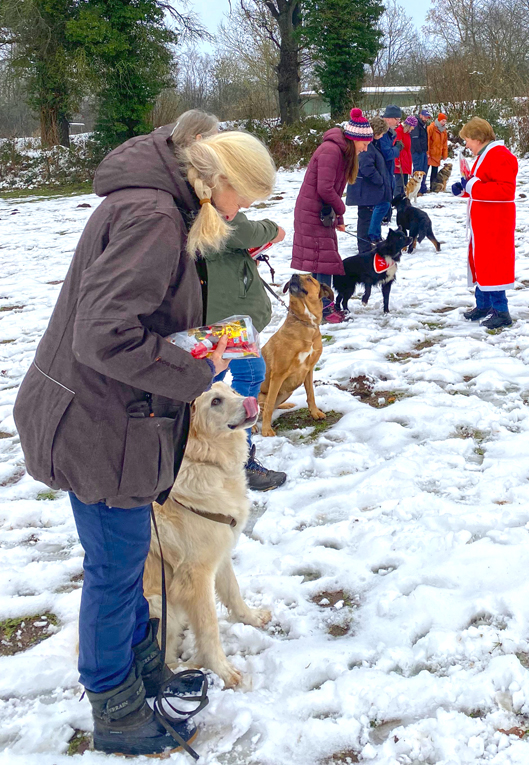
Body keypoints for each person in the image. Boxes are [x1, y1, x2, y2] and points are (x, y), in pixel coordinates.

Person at [13, 129, 277, 756]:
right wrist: (196, 370)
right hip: (98, 424)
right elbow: (103, 337)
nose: (240, 214)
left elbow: (130, 315)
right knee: (115, 565)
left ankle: (141, 670)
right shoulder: (155, 217)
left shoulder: (159, 204)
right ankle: (115, 703)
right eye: (243, 198)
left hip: (110, 418)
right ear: (218, 181)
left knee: (129, 559)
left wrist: (198, 337)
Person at [204, 214, 289, 490]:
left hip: (216, 309)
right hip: (228, 316)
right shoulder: (211, 201)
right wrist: (273, 229)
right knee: (247, 374)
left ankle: (215, 458)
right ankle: (238, 462)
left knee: (208, 381)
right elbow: (242, 231)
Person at [291, 108, 373, 323]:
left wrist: (339, 218)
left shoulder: (340, 152)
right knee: (324, 262)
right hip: (312, 212)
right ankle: (325, 311)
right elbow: (325, 189)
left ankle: (319, 308)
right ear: (354, 139)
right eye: (364, 144)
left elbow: (332, 191)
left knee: (321, 262)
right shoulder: (331, 151)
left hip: (321, 212)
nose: (365, 149)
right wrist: (341, 209)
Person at [452, 117, 518, 330]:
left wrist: (473, 185)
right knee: (481, 262)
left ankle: (501, 311)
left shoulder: (500, 157)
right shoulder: (486, 155)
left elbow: (506, 191)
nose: (467, 145)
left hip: (495, 223)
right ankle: (484, 305)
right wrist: (464, 189)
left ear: (479, 139)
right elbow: (482, 186)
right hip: (483, 221)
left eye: (468, 140)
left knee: (493, 264)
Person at [356, 116, 394, 247]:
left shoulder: (372, 145)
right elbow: (366, 167)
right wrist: (379, 180)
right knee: (366, 218)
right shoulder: (367, 147)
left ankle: (371, 239)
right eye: (382, 133)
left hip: (371, 189)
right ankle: (368, 242)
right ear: (377, 132)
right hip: (368, 189)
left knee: (375, 211)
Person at [378, 105, 403, 223]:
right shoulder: (382, 133)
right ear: (388, 118)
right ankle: (384, 217)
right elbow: (387, 154)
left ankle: (386, 216)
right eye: (397, 119)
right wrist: (396, 149)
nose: (399, 122)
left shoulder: (389, 132)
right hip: (382, 170)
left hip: (388, 169)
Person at [409, 107, 432, 194]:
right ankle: (415, 189)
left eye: (427, 117)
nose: (426, 118)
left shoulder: (423, 125)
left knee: (424, 170)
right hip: (417, 151)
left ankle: (422, 187)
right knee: (417, 170)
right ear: (420, 115)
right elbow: (415, 139)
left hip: (423, 151)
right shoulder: (416, 124)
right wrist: (419, 149)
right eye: (425, 116)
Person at [393, 115, 415, 200]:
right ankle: (397, 201)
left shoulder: (406, 133)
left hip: (405, 161)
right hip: (400, 162)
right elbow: (395, 147)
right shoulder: (399, 131)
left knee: (403, 184)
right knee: (399, 184)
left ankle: (401, 201)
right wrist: (396, 161)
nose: (413, 129)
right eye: (412, 127)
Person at [427, 113, 449, 191]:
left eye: (445, 121)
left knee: (434, 173)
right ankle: (421, 188)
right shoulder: (431, 128)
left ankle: (433, 187)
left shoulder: (443, 130)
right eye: (443, 121)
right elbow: (428, 141)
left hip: (437, 154)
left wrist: (445, 154)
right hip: (430, 154)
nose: (444, 123)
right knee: (425, 171)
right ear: (439, 120)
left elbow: (444, 143)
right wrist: (427, 152)